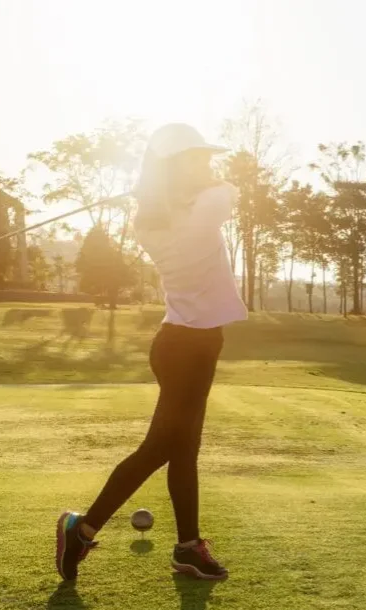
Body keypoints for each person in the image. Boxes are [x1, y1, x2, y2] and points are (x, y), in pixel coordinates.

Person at [55, 123, 247, 581]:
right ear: (174, 168)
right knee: (161, 447)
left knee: (184, 449)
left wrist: (165, 187)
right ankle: (81, 528)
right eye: (196, 158)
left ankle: (186, 547)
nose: (207, 164)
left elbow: (204, 192)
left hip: (190, 343)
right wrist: (182, 185)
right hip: (185, 348)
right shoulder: (202, 207)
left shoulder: (150, 219)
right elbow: (230, 191)